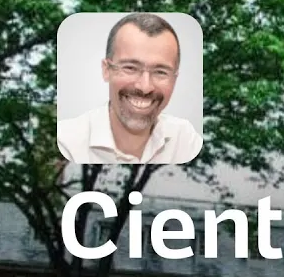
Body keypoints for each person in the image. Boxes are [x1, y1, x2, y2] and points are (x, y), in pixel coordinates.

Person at [57, 13, 203, 164]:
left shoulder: (185, 140)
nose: (145, 87)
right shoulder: (67, 142)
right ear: (106, 70)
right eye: (130, 68)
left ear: (174, 79)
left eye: (160, 72)